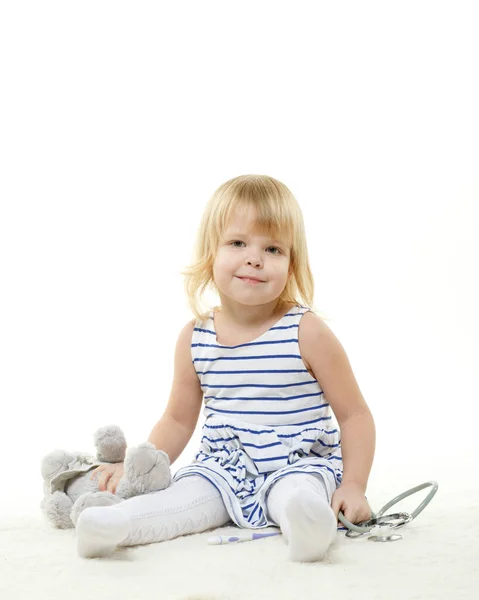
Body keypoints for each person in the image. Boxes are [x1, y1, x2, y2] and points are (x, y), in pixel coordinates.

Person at [76, 174, 375, 562]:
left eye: (272, 248)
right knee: (181, 499)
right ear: (210, 253)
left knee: (297, 493)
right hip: (224, 468)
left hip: (296, 463)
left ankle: (309, 527)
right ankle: (114, 524)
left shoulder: (306, 331)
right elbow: (178, 420)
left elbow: (354, 415)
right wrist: (137, 469)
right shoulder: (195, 337)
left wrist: (353, 484)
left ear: (291, 264)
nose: (254, 258)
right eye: (237, 243)